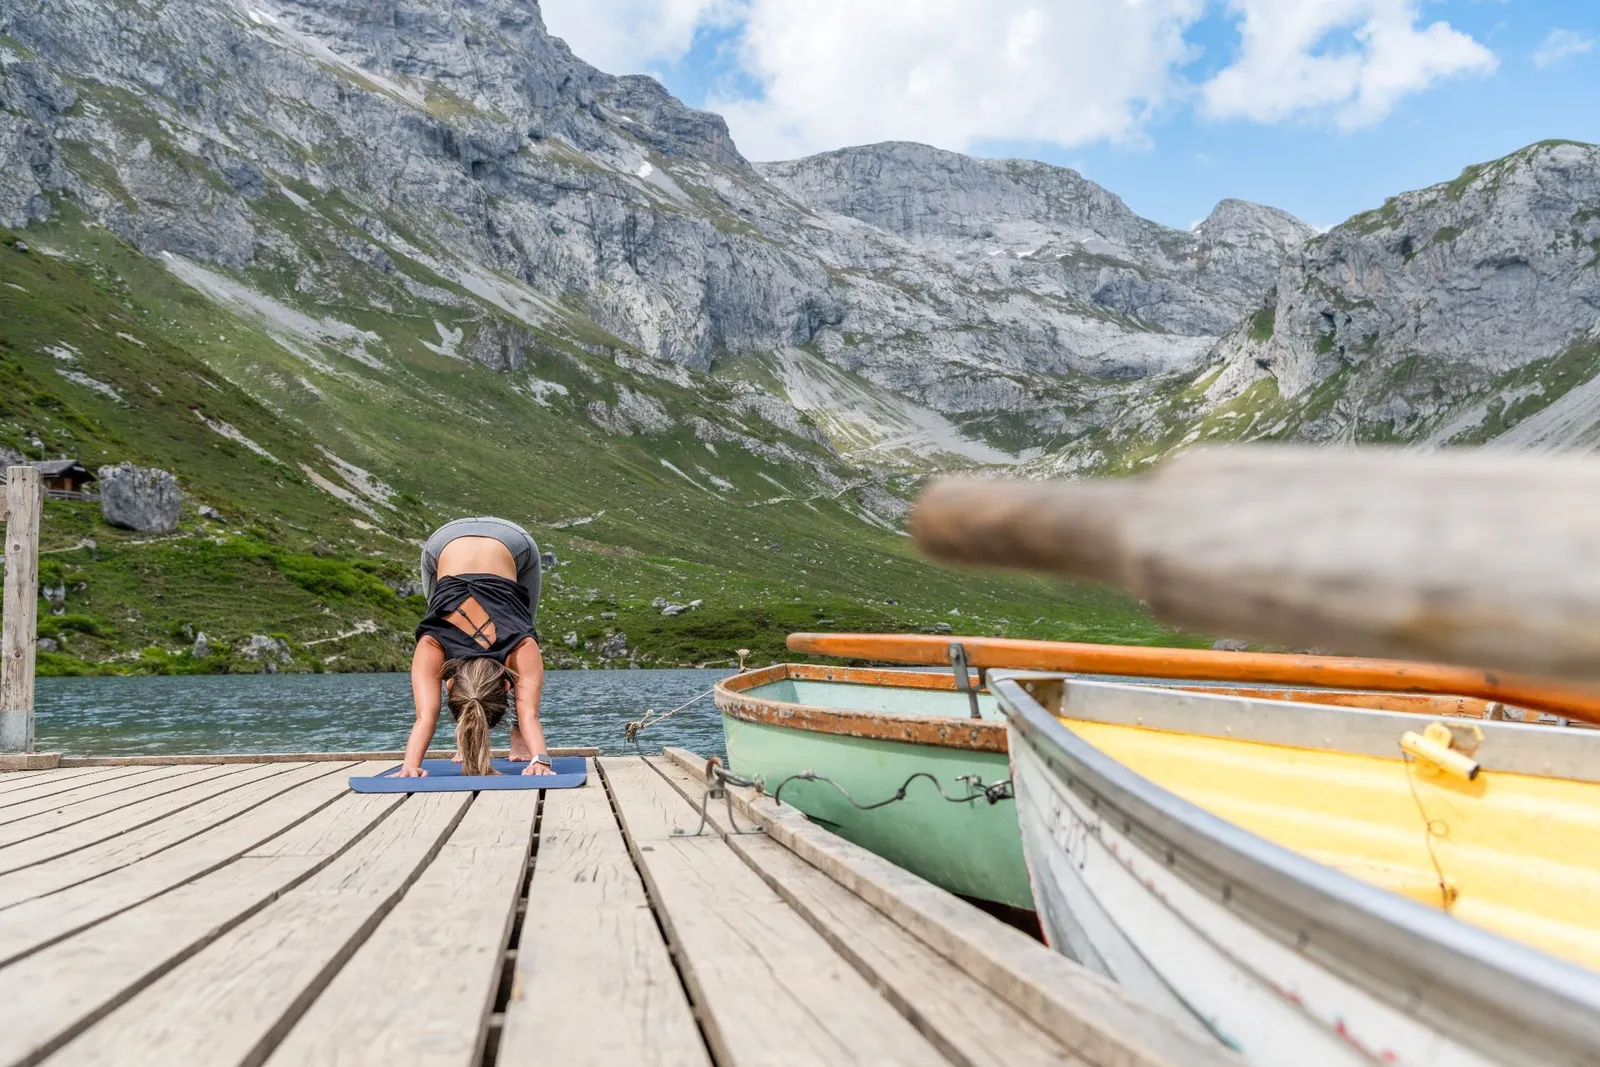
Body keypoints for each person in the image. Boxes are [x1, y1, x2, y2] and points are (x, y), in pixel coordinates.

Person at [399, 517, 554, 777]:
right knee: (522, 624)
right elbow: (530, 715)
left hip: (490, 542)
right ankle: (473, 738)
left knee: (525, 624)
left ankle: (503, 738)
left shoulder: (521, 643)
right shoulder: (432, 642)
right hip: (453, 541)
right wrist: (541, 761)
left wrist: (410, 766)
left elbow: (425, 716)